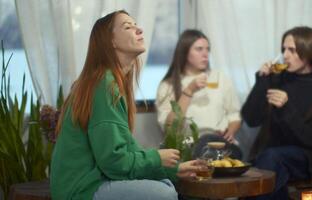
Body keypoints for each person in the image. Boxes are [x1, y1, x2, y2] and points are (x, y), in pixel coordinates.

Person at [50, 10, 205, 200]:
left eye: (135, 24)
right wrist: (157, 158)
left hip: (95, 181)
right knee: (164, 193)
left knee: (165, 183)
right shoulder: (104, 85)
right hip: (80, 190)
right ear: (111, 41)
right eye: (128, 26)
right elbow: (113, 161)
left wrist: (174, 170)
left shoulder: (110, 82)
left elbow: (127, 149)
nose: (139, 29)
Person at [241, 26, 312, 199]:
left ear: (309, 51)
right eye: (284, 49)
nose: (285, 55)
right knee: (270, 164)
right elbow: (251, 118)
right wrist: (262, 81)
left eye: (292, 50)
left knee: (270, 161)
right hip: (268, 155)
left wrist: (286, 108)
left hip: (303, 158)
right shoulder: (276, 78)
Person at [156, 29, 242, 159]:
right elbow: (169, 128)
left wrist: (230, 131)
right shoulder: (168, 85)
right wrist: (189, 91)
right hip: (187, 146)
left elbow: (234, 115)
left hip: (220, 143)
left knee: (226, 149)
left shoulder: (220, 78)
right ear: (184, 52)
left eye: (207, 49)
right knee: (203, 143)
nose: (205, 54)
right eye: (199, 49)